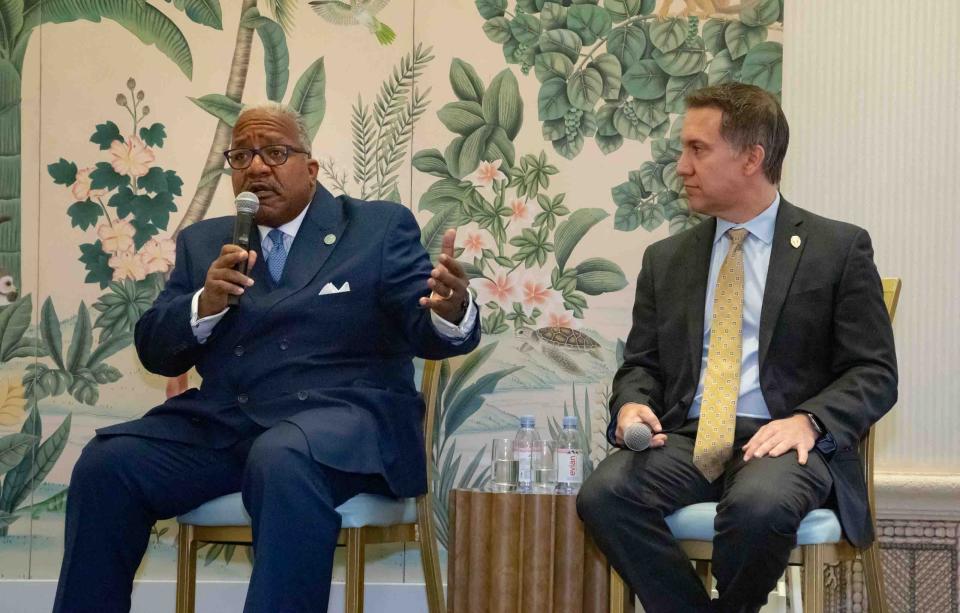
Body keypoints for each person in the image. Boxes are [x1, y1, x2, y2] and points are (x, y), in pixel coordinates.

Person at [53, 102, 480, 613]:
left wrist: (450, 308)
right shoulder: (205, 244)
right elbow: (156, 352)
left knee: (282, 455)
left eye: (274, 152)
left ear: (311, 167)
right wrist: (202, 306)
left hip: (341, 422)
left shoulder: (376, 228)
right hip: (228, 424)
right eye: (242, 156)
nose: (256, 167)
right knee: (108, 465)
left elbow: (425, 328)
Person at [577, 83, 897, 613]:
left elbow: (874, 371)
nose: (681, 166)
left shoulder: (837, 249)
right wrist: (631, 402)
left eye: (697, 149)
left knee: (758, 507)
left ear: (753, 157)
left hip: (783, 441)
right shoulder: (667, 259)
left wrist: (810, 421)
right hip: (688, 438)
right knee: (604, 495)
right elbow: (642, 366)